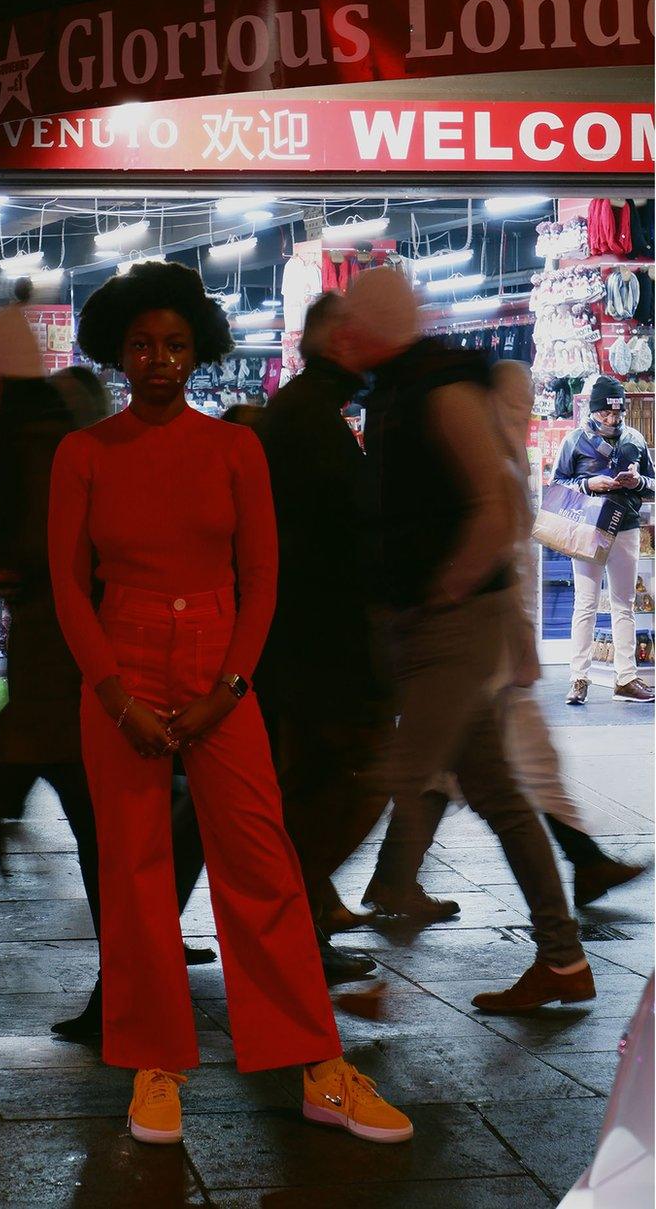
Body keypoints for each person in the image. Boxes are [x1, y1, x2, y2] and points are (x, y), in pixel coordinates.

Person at [48, 262, 412, 1146]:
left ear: (197, 351)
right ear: (118, 355)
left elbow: (263, 579)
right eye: (142, 345)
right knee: (135, 878)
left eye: (175, 344)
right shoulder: (84, 454)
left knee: (264, 868)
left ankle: (317, 1065)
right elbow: (67, 583)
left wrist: (232, 686)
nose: (160, 360)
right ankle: (153, 1064)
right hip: (121, 666)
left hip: (220, 667)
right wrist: (113, 692)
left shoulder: (235, 449)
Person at [336, 267, 595, 1014]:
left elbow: (499, 502)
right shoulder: (406, 386)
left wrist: (443, 590)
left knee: (400, 776)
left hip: (451, 622)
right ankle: (563, 959)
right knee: (497, 793)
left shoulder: (437, 391)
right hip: (449, 617)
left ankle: (359, 969)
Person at [0, 315, 211, 1044]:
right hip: (69, 660)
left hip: (67, 662)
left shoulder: (31, 441)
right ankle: (132, 975)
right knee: (102, 828)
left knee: (104, 832)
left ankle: (132, 984)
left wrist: (4, 553)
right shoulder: (43, 432)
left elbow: (56, 544)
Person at [419, 361, 645, 910]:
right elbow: (489, 559)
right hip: (484, 649)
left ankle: (578, 877)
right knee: (471, 772)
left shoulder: (500, 458)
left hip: (494, 648)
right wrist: (515, 641)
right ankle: (560, 923)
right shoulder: (492, 463)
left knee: (489, 768)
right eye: (517, 404)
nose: (526, 413)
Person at [255, 293, 390, 977]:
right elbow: (340, 535)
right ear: (338, 341)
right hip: (318, 639)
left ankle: (304, 909)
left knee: (313, 783)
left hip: (305, 635)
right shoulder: (311, 418)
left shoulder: (307, 410)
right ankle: (292, 921)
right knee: (338, 783)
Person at [553, 375, 654, 706]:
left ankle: (625, 677)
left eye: (617, 413)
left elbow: (653, 485)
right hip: (587, 526)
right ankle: (578, 678)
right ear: (594, 410)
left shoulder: (635, 439)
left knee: (623, 604)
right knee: (585, 603)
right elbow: (557, 484)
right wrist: (587, 485)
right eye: (605, 413)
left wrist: (638, 481)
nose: (612, 419)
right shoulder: (574, 441)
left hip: (626, 526)